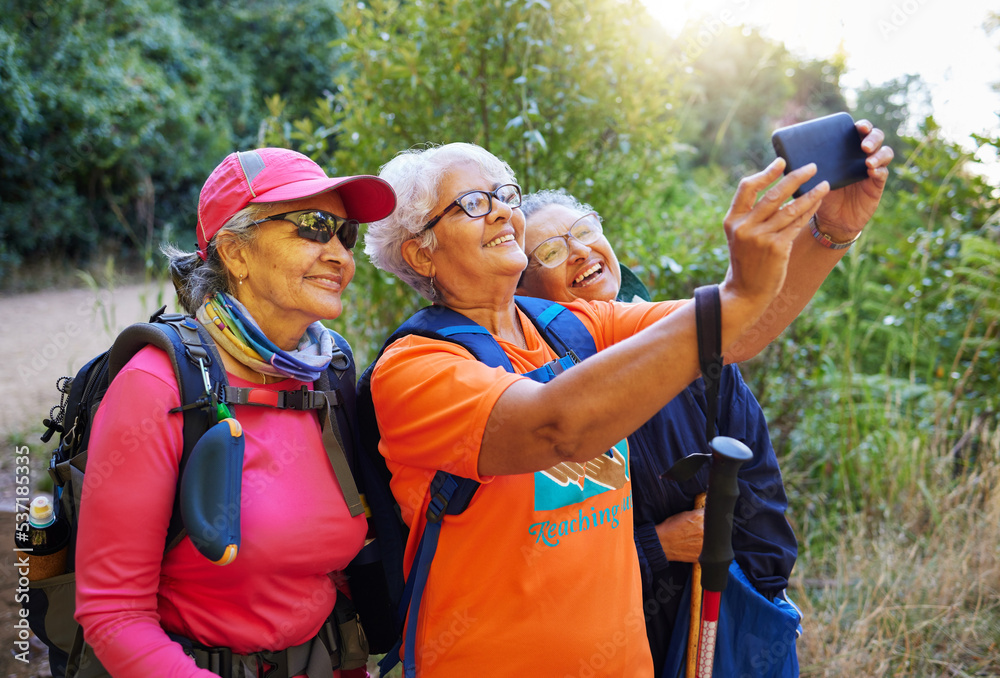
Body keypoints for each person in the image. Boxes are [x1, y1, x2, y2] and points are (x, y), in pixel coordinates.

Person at [363, 130, 891, 676]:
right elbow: (556, 428)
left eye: (506, 194)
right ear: (420, 251)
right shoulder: (412, 371)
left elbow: (732, 337)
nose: (501, 212)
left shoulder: (571, 326)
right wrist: (737, 293)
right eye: (473, 204)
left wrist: (830, 230)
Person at [74, 148, 397, 677]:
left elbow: (331, 577)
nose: (340, 254)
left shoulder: (327, 372)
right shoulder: (157, 386)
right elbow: (113, 614)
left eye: (346, 234)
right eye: (314, 227)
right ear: (235, 253)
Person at [517, 189, 798, 675]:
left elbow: (760, 489)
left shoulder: (693, 351)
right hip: (611, 645)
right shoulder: (535, 399)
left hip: (718, 626)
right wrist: (656, 546)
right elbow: (540, 557)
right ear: (523, 291)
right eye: (552, 251)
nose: (580, 251)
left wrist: (759, 602)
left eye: (584, 231)